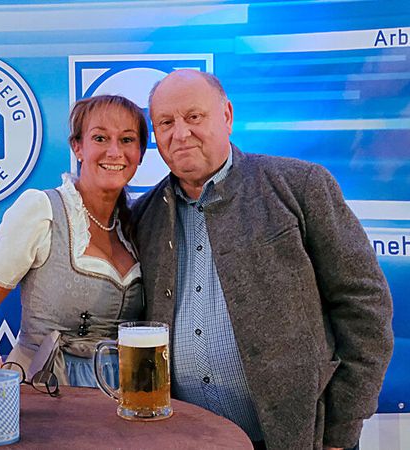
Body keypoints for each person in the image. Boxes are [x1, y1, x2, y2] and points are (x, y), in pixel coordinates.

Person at [131, 69, 393, 450]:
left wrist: (342, 428)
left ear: (227, 115)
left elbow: (364, 305)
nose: (180, 133)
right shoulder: (145, 215)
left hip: (303, 438)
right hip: (188, 440)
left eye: (194, 117)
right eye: (166, 123)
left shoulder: (300, 185)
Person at [0, 95, 146, 387]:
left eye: (127, 140)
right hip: (46, 389)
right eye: (100, 138)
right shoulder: (41, 209)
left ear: (140, 153)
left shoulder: (137, 224)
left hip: (122, 394)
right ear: (78, 147)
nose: (115, 151)